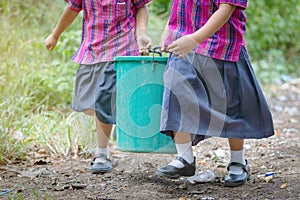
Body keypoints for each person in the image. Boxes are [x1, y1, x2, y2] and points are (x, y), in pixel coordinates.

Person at [156, 0, 274, 187]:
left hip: (222, 44)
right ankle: (185, 157)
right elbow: (178, 7)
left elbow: (226, 9)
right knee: (176, 88)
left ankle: (238, 161)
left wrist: (194, 39)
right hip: (184, 41)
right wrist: (167, 33)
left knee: (233, 105)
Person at [45, 0, 152, 174]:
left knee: (104, 99)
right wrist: (55, 35)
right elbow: (72, 9)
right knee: (89, 104)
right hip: (92, 50)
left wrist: (141, 34)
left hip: (122, 48)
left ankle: (102, 153)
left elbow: (141, 7)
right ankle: (118, 118)